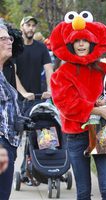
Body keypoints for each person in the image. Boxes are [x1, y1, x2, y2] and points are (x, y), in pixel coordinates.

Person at [50, 11, 106, 200]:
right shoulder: (62, 73)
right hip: (76, 134)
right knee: (83, 192)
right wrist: (98, 109)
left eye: (85, 40)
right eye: (77, 41)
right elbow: (66, 103)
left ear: (92, 43)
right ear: (71, 44)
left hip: (105, 129)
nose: (81, 44)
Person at [15, 16, 53, 182]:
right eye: (27, 25)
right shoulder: (16, 48)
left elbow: (49, 70)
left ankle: (37, 169)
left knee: (41, 135)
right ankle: (17, 168)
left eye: (33, 26)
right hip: (19, 100)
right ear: (21, 26)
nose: (31, 28)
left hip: (38, 99)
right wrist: (23, 92)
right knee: (15, 139)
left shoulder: (41, 48)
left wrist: (50, 90)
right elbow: (13, 73)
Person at [0, 20, 23, 200]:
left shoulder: (4, 70)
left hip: (9, 143)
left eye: (9, 38)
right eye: (3, 39)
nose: (9, 41)